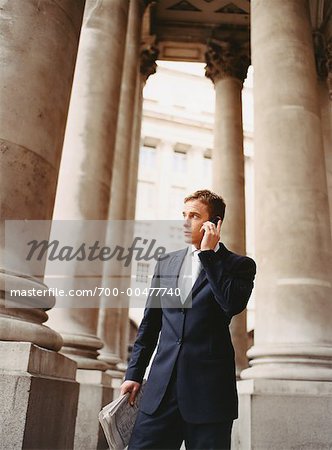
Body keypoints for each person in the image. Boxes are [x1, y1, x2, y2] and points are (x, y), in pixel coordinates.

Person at [120, 189, 256, 450]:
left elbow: (231, 305)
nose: (185, 222)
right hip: (161, 391)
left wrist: (209, 256)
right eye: (183, 215)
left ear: (214, 223)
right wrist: (134, 373)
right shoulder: (166, 264)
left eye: (193, 216)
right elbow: (150, 325)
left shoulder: (239, 265)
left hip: (209, 395)